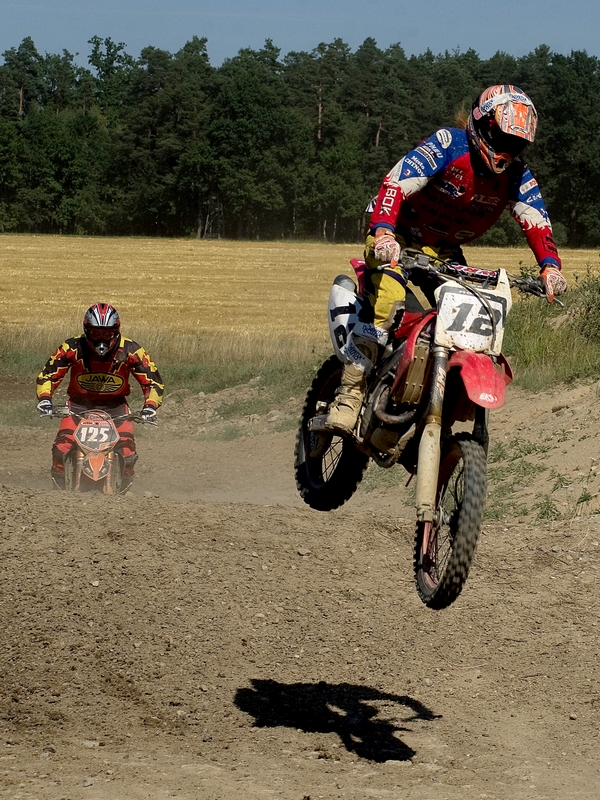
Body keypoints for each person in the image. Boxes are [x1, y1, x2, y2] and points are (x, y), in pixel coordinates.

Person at [326, 84, 567, 434]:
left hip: (445, 252)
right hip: (399, 236)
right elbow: (396, 182)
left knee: (468, 322)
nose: (507, 150)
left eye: (516, 144)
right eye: (502, 138)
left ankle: (426, 399)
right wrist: (384, 232)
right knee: (388, 303)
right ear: (482, 124)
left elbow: (537, 221)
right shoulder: (448, 144)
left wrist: (550, 267)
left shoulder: (517, 175)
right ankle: (349, 395)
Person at [36, 303, 164, 490]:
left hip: (116, 408)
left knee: (129, 454)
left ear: (116, 330)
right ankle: (59, 495)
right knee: (60, 450)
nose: (101, 339)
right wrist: (45, 399)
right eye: (96, 333)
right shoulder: (72, 347)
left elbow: (153, 382)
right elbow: (48, 375)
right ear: (87, 330)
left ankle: (123, 495)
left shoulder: (131, 350)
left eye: (107, 333)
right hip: (78, 406)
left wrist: (150, 407)